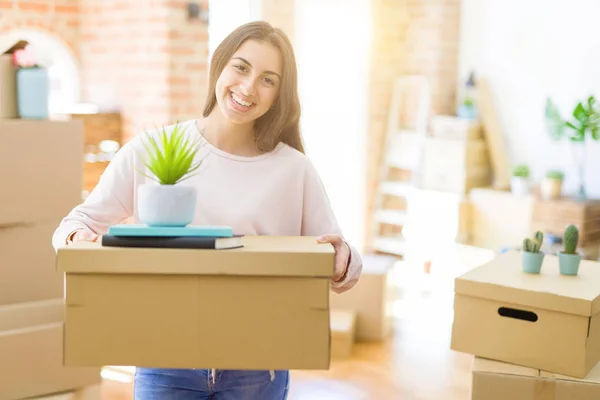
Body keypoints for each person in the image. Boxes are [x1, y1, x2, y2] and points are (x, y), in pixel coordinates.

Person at [52, 20, 363, 399]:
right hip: (164, 354)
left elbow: (338, 258)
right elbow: (75, 223)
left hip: (258, 362)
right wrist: (78, 239)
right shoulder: (155, 147)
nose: (248, 88)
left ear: (280, 93)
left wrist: (344, 259)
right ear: (219, 65)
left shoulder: (293, 169)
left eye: (268, 79)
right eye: (241, 67)